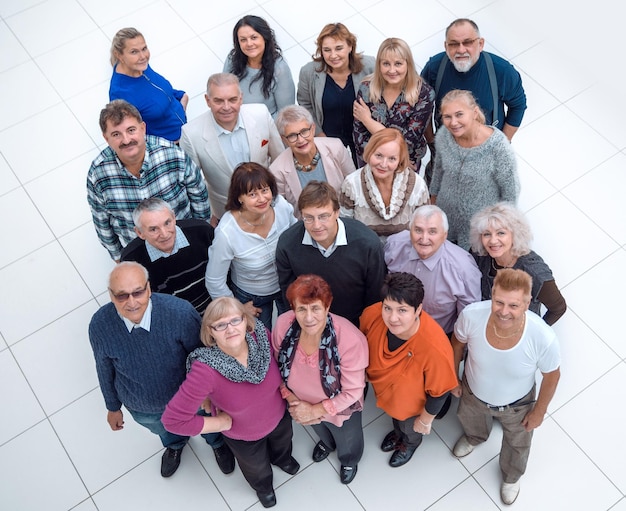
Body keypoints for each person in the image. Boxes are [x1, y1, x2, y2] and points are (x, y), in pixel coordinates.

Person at [88, 262, 234, 478]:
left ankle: (216, 442)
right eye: (122, 296)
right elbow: (104, 367)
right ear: (111, 295)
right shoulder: (99, 325)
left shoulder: (180, 313)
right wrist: (112, 407)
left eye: (138, 292)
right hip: (143, 407)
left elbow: (203, 357)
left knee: (206, 424)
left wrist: (208, 394)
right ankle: (175, 445)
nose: (132, 302)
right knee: (165, 432)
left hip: (191, 398)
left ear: (148, 288)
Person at [162, 297, 299, 508]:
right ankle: (264, 487)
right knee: (255, 467)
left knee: (283, 444)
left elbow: (282, 367)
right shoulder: (206, 369)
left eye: (235, 320)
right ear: (210, 331)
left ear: (246, 320)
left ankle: (282, 460)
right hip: (243, 435)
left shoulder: (261, 336)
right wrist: (218, 424)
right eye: (220, 325)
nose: (230, 329)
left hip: (278, 417)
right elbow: (173, 421)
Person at [450, 268, 561, 505]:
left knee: (518, 442)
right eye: (498, 302)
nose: (503, 311)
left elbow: (552, 375)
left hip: (517, 404)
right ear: (491, 294)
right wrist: (453, 377)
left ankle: (511, 476)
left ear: (527, 302)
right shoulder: (471, 315)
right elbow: (457, 343)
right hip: (472, 391)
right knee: (470, 418)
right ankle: (475, 437)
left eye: (513, 306)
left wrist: (539, 411)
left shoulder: (543, 337)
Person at [272, 275, 368, 484]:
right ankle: (327, 443)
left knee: (347, 438)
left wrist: (314, 410)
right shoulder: (282, 325)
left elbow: (352, 392)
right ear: (292, 308)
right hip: (300, 402)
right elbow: (276, 366)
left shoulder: (350, 340)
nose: (308, 318)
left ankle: (349, 459)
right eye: (301, 309)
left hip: (339, 406)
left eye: (315, 308)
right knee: (320, 429)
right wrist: (294, 402)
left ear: (327, 306)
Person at [87, 100, 210, 261]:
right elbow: (101, 221)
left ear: (143, 128)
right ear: (106, 138)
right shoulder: (98, 174)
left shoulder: (172, 154)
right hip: (138, 252)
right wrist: (119, 258)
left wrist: (199, 232)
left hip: (183, 239)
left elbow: (199, 195)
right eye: (116, 134)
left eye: (131, 130)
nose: (126, 140)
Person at [360, 272, 458, 467]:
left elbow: (440, 392)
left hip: (413, 406)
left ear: (418, 309)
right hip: (388, 395)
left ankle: (409, 443)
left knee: (409, 427)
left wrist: (425, 420)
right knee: (397, 422)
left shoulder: (434, 347)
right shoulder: (372, 315)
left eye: (402, 310)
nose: (392, 318)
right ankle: (398, 434)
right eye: (387, 308)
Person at [276, 181, 386, 327]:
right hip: (310, 325)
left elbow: (375, 296)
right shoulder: (287, 244)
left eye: (323, 216)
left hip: (355, 324)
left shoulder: (367, 243)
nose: (316, 225)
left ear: (337, 212)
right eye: (308, 217)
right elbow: (288, 295)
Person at [180, 73, 284, 222]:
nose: (226, 107)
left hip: (268, 204)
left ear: (241, 98)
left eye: (232, 100)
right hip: (225, 212)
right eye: (218, 101)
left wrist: (280, 197)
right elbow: (192, 184)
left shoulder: (260, 114)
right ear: (207, 101)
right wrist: (208, 217)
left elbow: (279, 159)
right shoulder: (191, 134)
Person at [205, 162, 296, 330]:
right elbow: (214, 281)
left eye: (265, 190)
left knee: (291, 333)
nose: (262, 199)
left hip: (285, 284)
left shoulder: (281, 206)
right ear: (239, 197)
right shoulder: (226, 232)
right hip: (252, 296)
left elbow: (296, 235)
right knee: (263, 342)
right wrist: (237, 308)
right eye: (252, 194)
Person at [429, 89, 519, 249]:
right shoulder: (443, 135)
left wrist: (499, 230)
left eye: (459, 114)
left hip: (479, 225)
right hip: (445, 213)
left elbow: (510, 192)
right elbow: (438, 170)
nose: (453, 122)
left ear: (475, 112)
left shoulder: (498, 147)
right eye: (447, 117)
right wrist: (433, 203)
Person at [421, 18, 526, 141]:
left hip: (485, 144)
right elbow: (421, 105)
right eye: (454, 44)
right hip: (446, 143)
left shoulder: (502, 71)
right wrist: (431, 141)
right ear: (446, 46)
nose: (461, 50)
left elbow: (518, 106)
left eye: (468, 42)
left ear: (480, 44)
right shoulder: (434, 67)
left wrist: (502, 143)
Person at [384, 205, 481, 336]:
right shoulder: (393, 246)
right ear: (410, 229)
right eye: (418, 230)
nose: (424, 239)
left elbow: (469, 320)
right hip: (393, 328)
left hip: (437, 337)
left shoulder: (464, 268)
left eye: (432, 232)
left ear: (445, 235)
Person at [469, 202, 567, 325]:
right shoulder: (479, 255)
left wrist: (535, 331)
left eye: (501, 233)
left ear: (515, 234)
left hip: (518, 328)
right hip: (486, 322)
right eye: (487, 234)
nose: (493, 240)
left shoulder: (534, 271)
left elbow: (558, 308)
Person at [297, 22, 375, 164]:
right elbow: (305, 105)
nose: (333, 55)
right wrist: (319, 134)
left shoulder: (370, 66)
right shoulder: (308, 72)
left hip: (362, 133)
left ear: (350, 47)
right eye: (327, 50)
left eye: (339, 48)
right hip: (327, 134)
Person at [353, 37, 435, 170]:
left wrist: (369, 121)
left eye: (398, 64)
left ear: (408, 64)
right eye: (386, 64)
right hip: (371, 160)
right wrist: (376, 161)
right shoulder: (366, 87)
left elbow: (408, 141)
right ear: (379, 65)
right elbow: (359, 135)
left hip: (406, 163)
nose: (392, 70)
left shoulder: (424, 93)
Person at [121, 198, 214, 314]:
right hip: (175, 318)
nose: (164, 234)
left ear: (174, 218)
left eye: (167, 223)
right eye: (153, 229)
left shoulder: (202, 232)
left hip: (216, 307)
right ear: (140, 233)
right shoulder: (131, 260)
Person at [340, 128, 429, 241]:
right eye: (379, 155)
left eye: (392, 158)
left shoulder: (418, 184)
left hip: (405, 254)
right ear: (369, 152)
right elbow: (346, 227)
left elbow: (424, 227)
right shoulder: (351, 183)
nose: (383, 164)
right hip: (364, 254)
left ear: (400, 161)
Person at [270, 105, 355, 217]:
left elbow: (354, 186)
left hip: (343, 219)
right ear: (284, 139)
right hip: (305, 226)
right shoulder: (277, 170)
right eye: (292, 136)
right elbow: (282, 211)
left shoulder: (336, 148)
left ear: (313, 128)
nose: (300, 140)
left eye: (304, 131)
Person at [109, 27, 188, 142]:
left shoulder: (140, 66)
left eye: (144, 48)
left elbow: (158, 90)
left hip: (184, 132)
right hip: (171, 145)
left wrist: (183, 98)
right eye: (134, 52)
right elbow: (130, 135)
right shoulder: (120, 94)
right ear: (119, 55)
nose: (143, 56)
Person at [223, 15, 295, 118]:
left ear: (265, 38)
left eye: (254, 37)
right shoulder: (232, 60)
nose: (249, 44)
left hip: (265, 126)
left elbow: (286, 112)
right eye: (243, 40)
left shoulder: (280, 69)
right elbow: (223, 91)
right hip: (234, 119)